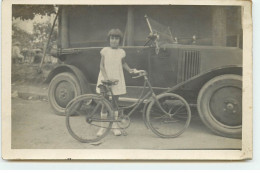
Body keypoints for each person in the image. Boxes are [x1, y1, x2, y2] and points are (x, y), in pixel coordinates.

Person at [96, 28, 136, 136]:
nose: (114, 40)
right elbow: (101, 65)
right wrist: (106, 78)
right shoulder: (105, 50)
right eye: (112, 38)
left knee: (115, 104)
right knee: (104, 103)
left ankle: (114, 126)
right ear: (109, 39)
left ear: (120, 40)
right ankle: (102, 127)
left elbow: (123, 64)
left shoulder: (121, 52)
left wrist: (130, 70)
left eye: (116, 38)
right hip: (105, 79)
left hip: (116, 79)